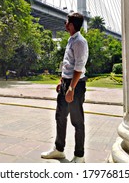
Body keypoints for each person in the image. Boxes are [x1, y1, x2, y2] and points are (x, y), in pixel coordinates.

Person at [41, 12, 89, 163]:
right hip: (66, 83)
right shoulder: (71, 40)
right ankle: (59, 150)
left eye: (67, 21)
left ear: (72, 24)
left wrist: (71, 88)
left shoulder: (80, 42)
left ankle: (79, 156)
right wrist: (62, 81)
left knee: (77, 121)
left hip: (76, 85)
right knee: (60, 117)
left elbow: (79, 67)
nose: (65, 23)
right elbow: (68, 63)